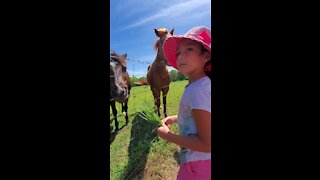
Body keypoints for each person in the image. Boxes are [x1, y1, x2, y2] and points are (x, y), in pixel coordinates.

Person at [157, 26, 211, 180]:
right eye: (178, 52)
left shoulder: (197, 90)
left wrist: (168, 135)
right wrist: (177, 117)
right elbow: (202, 114)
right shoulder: (202, 85)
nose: (180, 56)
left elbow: (207, 144)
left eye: (189, 49)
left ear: (206, 56)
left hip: (198, 166)